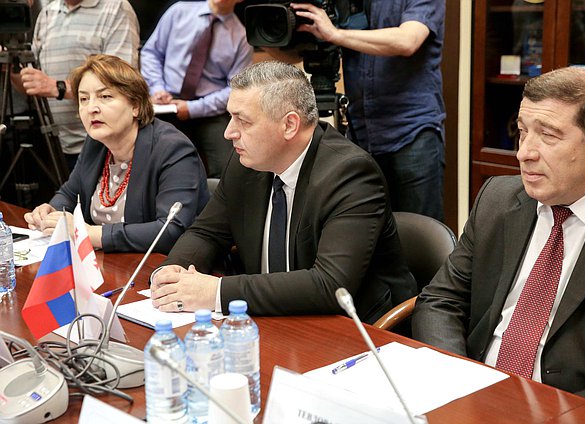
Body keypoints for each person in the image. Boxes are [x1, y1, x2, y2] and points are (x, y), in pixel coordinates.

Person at [412, 67, 585, 412]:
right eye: (522, 132)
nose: (523, 153)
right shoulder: (498, 197)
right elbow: (441, 300)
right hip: (471, 396)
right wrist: (459, 383)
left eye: (548, 136)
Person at [150, 61, 416, 323]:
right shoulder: (247, 162)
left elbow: (330, 285)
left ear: (289, 125)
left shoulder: (351, 175)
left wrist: (215, 293)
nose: (229, 133)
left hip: (353, 331)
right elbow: (206, 233)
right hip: (270, 319)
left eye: (243, 121)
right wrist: (174, 273)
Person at [24, 55, 209, 254]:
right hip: (107, 266)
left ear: (136, 105)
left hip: (164, 270)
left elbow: (171, 231)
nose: (92, 109)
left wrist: (88, 233)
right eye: (84, 99)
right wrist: (51, 212)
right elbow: (70, 193)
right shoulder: (96, 144)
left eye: (105, 97)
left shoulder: (172, 148)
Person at [290, 1, 446, 221]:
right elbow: (302, 50)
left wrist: (335, 34)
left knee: (421, 232)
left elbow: (408, 41)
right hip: (361, 134)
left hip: (411, 131)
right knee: (368, 232)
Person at [12, 0, 140, 171]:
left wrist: (57, 87)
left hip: (104, 147)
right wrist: (9, 66)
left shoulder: (116, 7)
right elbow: (33, 84)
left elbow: (121, 81)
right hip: (54, 145)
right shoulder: (48, 12)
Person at [140, 0, 253, 178]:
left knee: (228, 166)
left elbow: (235, 88)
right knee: (146, 153)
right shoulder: (178, 12)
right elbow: (151, 53)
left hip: (209, 109)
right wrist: (157, 88)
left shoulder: (242, 37)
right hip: (167, 100)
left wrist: (193, 109)